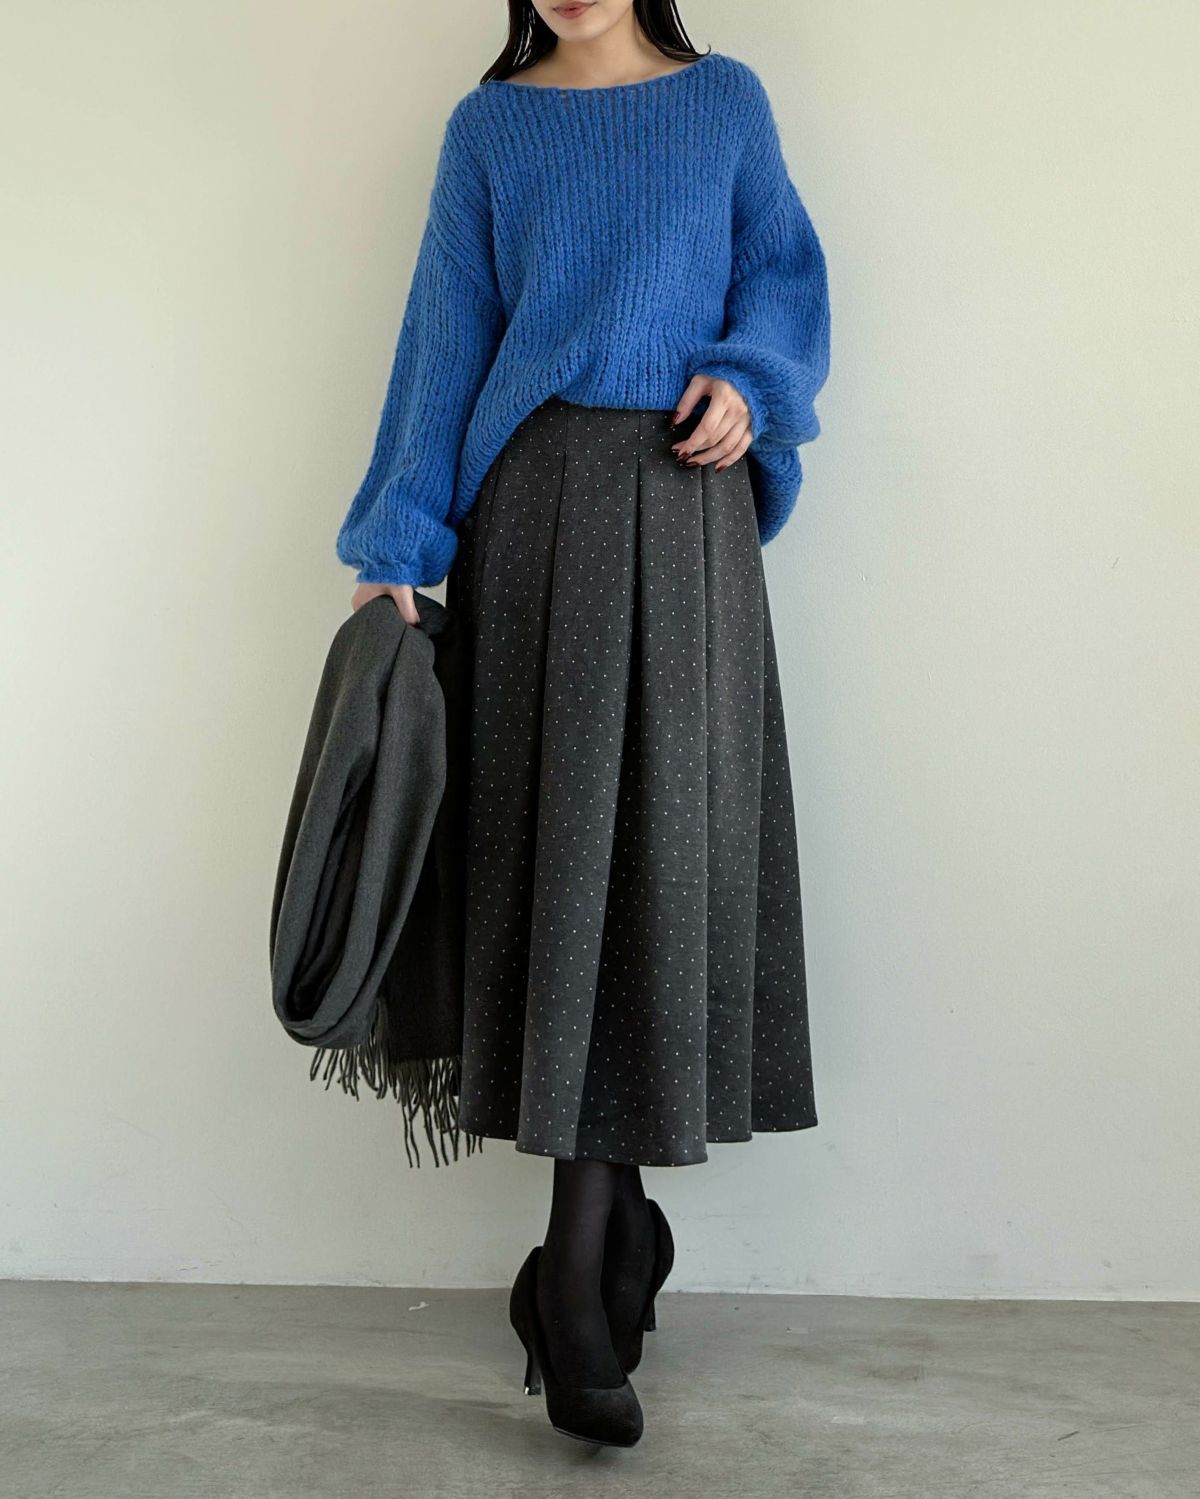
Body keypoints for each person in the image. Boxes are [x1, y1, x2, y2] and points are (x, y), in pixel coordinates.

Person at [334, 0, 830, 1449]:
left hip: (687, 516)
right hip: (539, 520)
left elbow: (784, 278)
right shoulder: (490, 127)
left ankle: (586, 1259)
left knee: (662, 871)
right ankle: (585, 1268)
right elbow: (446, 334)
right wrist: (397, 542)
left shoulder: (725, 103)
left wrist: (752, 383)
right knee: (570, 878)